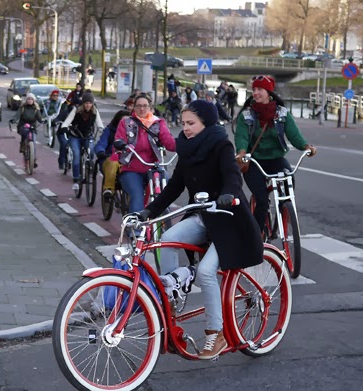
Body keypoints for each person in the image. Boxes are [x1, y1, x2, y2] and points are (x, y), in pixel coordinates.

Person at [135, 100, 263, 359]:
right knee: (168, 239)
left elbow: (233, 176)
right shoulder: (187, 148)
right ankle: (171, 299)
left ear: (206, 122)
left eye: (191, 123)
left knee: (206, 271)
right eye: (183, 123)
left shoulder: (221, 145)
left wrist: (228, 194)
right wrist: (149, 211)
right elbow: (175, 187)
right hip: (206, 216)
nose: (186, 128)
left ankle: (216, 333)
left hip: (229, 217)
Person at [234, 75, 316, 234]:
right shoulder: (247, 115)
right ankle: (256, 235)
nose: (256, 93)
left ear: (269, 92)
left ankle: (284, 209)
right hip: (253, 161)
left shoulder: (282, 113)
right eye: (254, 89)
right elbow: (241, 137)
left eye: (260, 89)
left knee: (289, 180)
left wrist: (306, 146)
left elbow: (294, 135)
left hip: (276, 159)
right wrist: (242, 152)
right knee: (262, 200)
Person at [111, 93, 176, 215]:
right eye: (139, 106)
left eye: (145, 106)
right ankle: (137, 230)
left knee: (163, 189)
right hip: (132, 168)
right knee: (137, 195)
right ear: (134, 108)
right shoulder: (125, 123)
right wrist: (122, 145)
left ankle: (161, 224)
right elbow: (119, 140)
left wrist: (182, 145)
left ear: (150, 108)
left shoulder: (158, 123)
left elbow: (168, 140)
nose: (142, 109)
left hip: (154, 167)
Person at [60, 92, 104, 193]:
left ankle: (89, 168)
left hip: (87, 136)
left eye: (90, 103)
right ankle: (76, 179)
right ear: (83, 103)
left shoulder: (94, 112)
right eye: (86, 103)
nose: (88, 105)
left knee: (92, 151)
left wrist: (101, 128)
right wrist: (64, 127)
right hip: (75, 136)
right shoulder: (76, 111)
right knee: (76, 155)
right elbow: (68, 121)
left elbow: (99, 122)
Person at [94, 109, 131, 202]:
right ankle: (108, 189)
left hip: (129, 160)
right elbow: (101, 144)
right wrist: (100, 152)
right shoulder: (110, 131)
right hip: (111, 158)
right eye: (123, 121)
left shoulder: (134, 132)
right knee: (113, 162)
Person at [11, 93, 45, 167]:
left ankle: (33, 160)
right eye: (28, 99)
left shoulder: (36, 109)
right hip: (23, 125)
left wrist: (42, 121)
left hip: (32, 127)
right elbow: (17, 115)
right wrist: (13, 120)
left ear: (34, 100)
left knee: (33, 142)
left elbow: (39, 118)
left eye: (31, 99)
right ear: (26, 100)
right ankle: (23, 145)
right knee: (24, 132)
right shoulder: (22, 107)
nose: (30, 100)